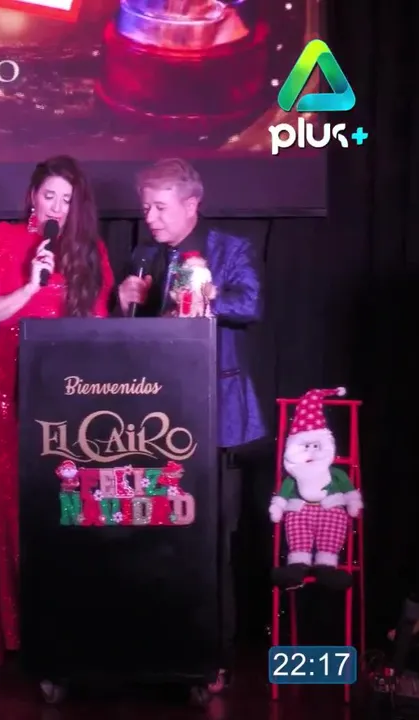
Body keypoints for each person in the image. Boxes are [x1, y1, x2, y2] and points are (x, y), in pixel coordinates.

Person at [115, 158, 265, 686]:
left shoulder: (230, 250)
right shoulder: (143, 256)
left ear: (191, 205)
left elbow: (250, 303)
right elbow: (132, 337)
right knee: (156, 536)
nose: (150, 218)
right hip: (156, 418)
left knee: (213, 543)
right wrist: (124, 304)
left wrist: (206, 291)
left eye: (160, 208)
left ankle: (213, 657)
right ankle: (160, 645)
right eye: (146, 208)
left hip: (216, 417)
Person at [0, 156, 114, 666]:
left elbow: (98, 325)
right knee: (15, 494)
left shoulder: (90, 249)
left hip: (68, 385)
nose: (56, 207)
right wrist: (31, 286)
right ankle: (19, 628)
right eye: (49, 195)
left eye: (67, 200)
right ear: (32, 195)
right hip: (10, 378)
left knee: (68, 494)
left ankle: (68, 624)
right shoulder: (2, 238)